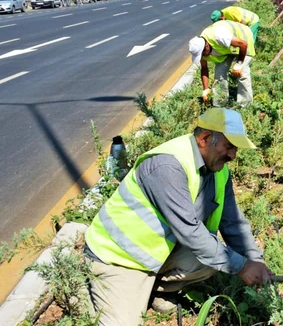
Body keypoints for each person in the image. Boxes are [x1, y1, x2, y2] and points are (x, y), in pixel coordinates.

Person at [84, 108, 272, 326]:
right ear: (205, 138)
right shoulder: (167, 166)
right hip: (119, 258)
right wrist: (242, 267)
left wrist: (254, 261)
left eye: (235, 149)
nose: (233, 155)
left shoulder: (218, 170)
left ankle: (157, 289)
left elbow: (233, 223)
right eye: (228, 146)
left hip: (161, 251)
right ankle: (89, 288)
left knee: (216, 259)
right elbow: (190, 231)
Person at [188, 20, 256, 106]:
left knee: (243, 74)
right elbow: (204, 68)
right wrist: (205, 89)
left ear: (207, 46)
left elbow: (243, 44)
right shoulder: (200, 48)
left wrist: (239, 63)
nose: (202, 57)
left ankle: (245, 105)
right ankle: (220, 105)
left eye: (202, 54)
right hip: (226, 48)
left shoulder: (219, 36)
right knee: (219, 75)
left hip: (243, 39)